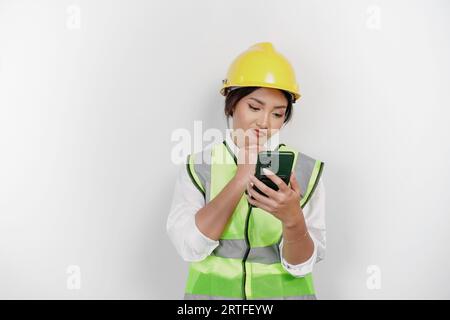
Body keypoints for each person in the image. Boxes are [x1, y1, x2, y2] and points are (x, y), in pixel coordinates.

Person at [167, 42, 325, 300]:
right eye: (254, 107)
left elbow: (302, 266)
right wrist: (241, 177)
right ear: (232, 104)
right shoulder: (199, 167)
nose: (264, 122)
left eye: (277, 113)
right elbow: (191, 248)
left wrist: (293, 219)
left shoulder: (306, 170)